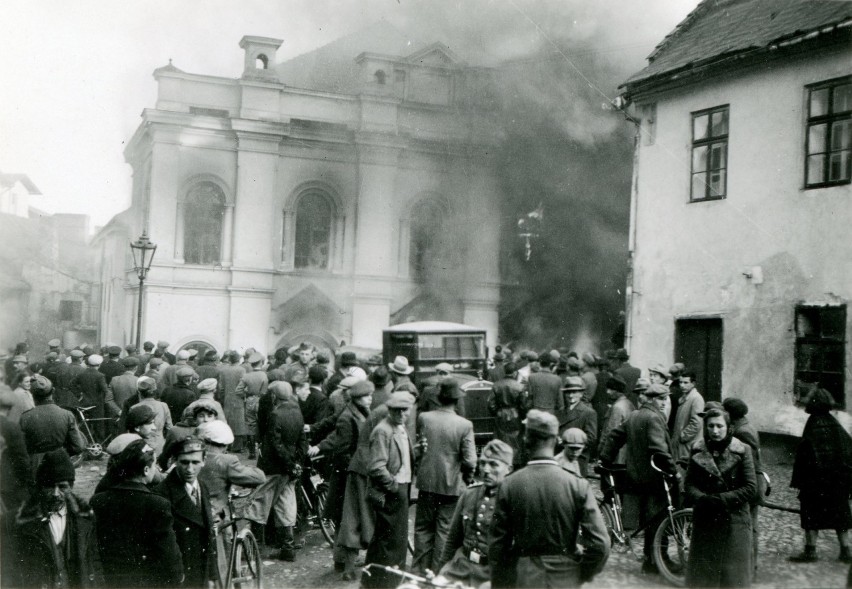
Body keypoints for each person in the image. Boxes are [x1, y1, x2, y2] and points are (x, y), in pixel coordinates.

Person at [490, 409, 610, 588]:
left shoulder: (510, 484)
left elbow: (497, 545)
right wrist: (580, 573)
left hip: (525, 577)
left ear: (526, 440)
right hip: (566, 577)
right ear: (556, 441)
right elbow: (601, 544)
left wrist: (505, 580)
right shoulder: (577, 484)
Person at [600, 383, 676, 574]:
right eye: (661, 399)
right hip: (654, 479)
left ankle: (651, 561)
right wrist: (674, 471)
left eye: (665, 398)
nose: (664, 403)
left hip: (636, 479)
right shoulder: (654, 418)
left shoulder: (634, 416)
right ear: (651, 399)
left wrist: (605, 459)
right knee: (659, 520)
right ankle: (659, 561)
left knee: (650, 521)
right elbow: (659, 450)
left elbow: (614, 437)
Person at [91, 439, 184, 587]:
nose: (156, 470)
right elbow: (169, 553)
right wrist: (177, 578)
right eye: (154, 465)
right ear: (146, 470)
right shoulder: (158, 504)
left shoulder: (98, 501)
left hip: (112, 580)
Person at [685, 407, 757, 587]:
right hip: (705, 521)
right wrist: (702, 498)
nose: (715, 431)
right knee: (704, 579)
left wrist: (721, 499)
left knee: (732, 579)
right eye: (710, 426)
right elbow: (688, 484)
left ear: (729, 427)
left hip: (735, 522)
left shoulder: (742, 450)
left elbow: (750, 487)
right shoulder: (697, 449)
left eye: (719, 426)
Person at [412, 379, 477, 575]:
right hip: (451, 485)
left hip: (427, 482)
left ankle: (418, 574)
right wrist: (468, 476)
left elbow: (421, 446)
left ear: (439, 398)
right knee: (444, 531)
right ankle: (438, 574)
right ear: (457, 401)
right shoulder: (464, 425)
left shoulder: (424, 418)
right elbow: (470, 460)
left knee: (423, 529)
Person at [308, 379, 373, 572]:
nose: (369, 399)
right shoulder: (347, 417)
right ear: (355, 398)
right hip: (347, 474)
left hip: (353, 471)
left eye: (370, 396)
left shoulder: (360, 411)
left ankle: (343, 559)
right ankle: (341, 561)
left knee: (347, 517)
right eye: (365, 396)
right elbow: (341, 445)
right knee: (345, 517)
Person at [13, 449, 103, 588]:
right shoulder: (24, 523)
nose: (56, 494)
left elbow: (95, 564)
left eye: (62, 487)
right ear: (40, 487)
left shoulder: (85, 519)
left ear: (71, 487)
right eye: (49, 486)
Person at [435, 439, 514, 587]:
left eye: (493, 464)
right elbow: (452, 540)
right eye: (483, 463)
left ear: (508, 469)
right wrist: (441, 570)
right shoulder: (469, 494)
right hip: (461, 567)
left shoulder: (514, 501)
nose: (486, 469)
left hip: (492, 574)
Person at [243, 381, 306, 561]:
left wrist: (288, 464)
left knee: (258, 503)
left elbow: (275, 444)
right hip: (290, 468)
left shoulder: (275, 414)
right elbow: (302, 439)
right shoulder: (297, 411)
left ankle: (255, 550)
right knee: (286, 504)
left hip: (272, 467)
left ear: (274, 396)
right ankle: (288, 548)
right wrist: (296, 463)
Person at [788, 388, 852, 563]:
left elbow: (804, 456)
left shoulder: (812, 424)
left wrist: (800, 482)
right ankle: (846, 551)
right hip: (837, 483)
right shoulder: (836, 426)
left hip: (815, 484)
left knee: (810, 515)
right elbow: (848, 452)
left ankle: (810, 551)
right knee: (841, 515)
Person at [363, 391, 416, 589]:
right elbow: (376, 466)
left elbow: (401, 456)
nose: (402, 414)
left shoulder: (398, 427)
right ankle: (386, 582)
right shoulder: (383, 430)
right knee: (391, 542)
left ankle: (375, 580)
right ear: (390, 410)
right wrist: (394, 487)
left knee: (390, 539)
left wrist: (416, 452)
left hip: (401, 487)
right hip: (392, 491)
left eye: (406, 410)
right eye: (398, 410)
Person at [156, 436, 219, 588]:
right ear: (175, 461)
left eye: (195, 462)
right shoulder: (162, 494)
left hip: (200, 572)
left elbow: (208, 534)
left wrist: (212, 575)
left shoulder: (202, 487)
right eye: (184, 462)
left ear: (204, 461)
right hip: (180, 577)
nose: (190, 469)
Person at [723, 397, 765, 576]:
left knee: (748, 526)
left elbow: (748, 461)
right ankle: (750, 565)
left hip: (750, 482)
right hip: (754, 480)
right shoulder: (746, 426)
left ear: (731, 414)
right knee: (750, 524)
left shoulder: (742, 432)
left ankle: (748, 566)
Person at [20, 375, 86, 466]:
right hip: (61, 465)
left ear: (31, 394)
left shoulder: (25, 417)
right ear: (53, 391)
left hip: (36, 466)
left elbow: (20, 449)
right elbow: (79, 446)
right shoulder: (67, 415)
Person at [488, 362, 526, 468]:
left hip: (500, 414)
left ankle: (501, 462)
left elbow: (491, 404)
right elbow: (523, 405)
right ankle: (515, 464)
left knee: (501, 439)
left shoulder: (496, 385)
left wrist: (497, 412)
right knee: (515, 441)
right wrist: (522, 415)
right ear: (515, 373)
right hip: (515, 415)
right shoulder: (519, 386)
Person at [71, 354, 116, 442]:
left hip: (84, 403)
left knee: (85, 426)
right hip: (97, 405)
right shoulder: (100, 375)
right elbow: (105, 390)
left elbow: (72, 385)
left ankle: (86, 443)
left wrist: (79, 395)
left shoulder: (82, 373)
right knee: (99, 427)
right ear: (99, 365)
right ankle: (99, 445)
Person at [559, 376, 597, 476]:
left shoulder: (588, 412)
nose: (571, 396)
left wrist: (568, 443)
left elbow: (591, 438)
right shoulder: (561, 411)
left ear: (581, 394)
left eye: (575, 392)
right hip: (560, 457)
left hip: (577, 459)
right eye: (568, 392)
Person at [127, 377, 173, 457]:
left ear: (140, 393)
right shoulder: (163, 406)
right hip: (160, 446)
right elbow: (169, 428)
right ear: (154, 392)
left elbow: (131, 432)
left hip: (142, 447)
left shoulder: (134, 408)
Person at [672, 370, 705, 474]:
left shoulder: (696, 399)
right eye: (680, 382)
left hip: (688, 444)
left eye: (685, 383)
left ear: (693, 383)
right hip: (681, 444)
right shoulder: (684, 398)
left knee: (685, 471)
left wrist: (682, 436)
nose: (682, 385)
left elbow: (696, 423)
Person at [236, 351, 267, 459]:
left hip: (249, 401)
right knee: (263, 424)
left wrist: (246, 395)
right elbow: (266, 391)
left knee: (250, 426)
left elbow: (238, 391)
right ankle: (263, 450)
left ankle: (252, 452)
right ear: (261, 363)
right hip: (262, 401)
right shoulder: (264, 375)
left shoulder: (247, 376)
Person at [218, 351, 247, 451]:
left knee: (228, 421)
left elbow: (221, 388)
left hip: (227, 398)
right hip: (238, 398)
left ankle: (228, 444)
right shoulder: (242, 370)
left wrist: (222, 398)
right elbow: (243, 385)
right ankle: (237, 447)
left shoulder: (224, 370)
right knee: (239, 423)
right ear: (239, 359)